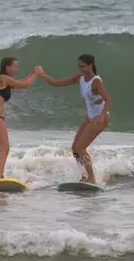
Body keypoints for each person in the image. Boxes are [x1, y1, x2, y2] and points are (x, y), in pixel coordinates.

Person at [39, 54, 111, 184]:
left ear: (90, 65)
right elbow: (57, 83)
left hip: (101, 117)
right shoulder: (80, 78)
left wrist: (102, 114)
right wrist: (42, 74)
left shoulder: (96, 81)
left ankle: (92, 178)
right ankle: (84, 175)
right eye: (79, 66)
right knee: (75, 148)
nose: (80, 69)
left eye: (83, 66)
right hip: (91, 116)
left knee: (81, 148)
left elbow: (108, 100)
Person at [0, 57, 43, 180]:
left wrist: (32, 73)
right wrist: (36, 74)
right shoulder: (3, 78)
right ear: (7, 67)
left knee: (3, 148)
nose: (17, 69)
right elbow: (25, 84)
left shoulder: (3, 80)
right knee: (4, 148)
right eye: (15, 66)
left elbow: (21, 83)